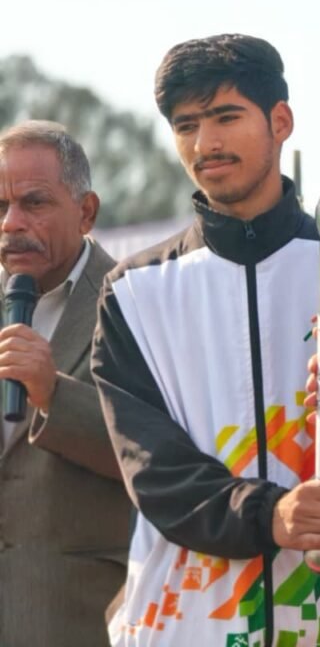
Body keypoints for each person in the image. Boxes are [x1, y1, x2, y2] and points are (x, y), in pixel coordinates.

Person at [92, 34, 320, 646]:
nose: (206, 143)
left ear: (280, 121)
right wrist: (270, 514)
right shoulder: (134, 292)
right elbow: (154, 470)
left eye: (226, 117)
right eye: (186, 126)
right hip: (187, 627)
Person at [0, 121, 130, 647]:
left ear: (86, 211)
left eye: (33, 203)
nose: (11, 223)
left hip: (77, 620)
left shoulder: (136, 302)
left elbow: (163, 452)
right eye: (0, 206)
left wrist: (53, 393)